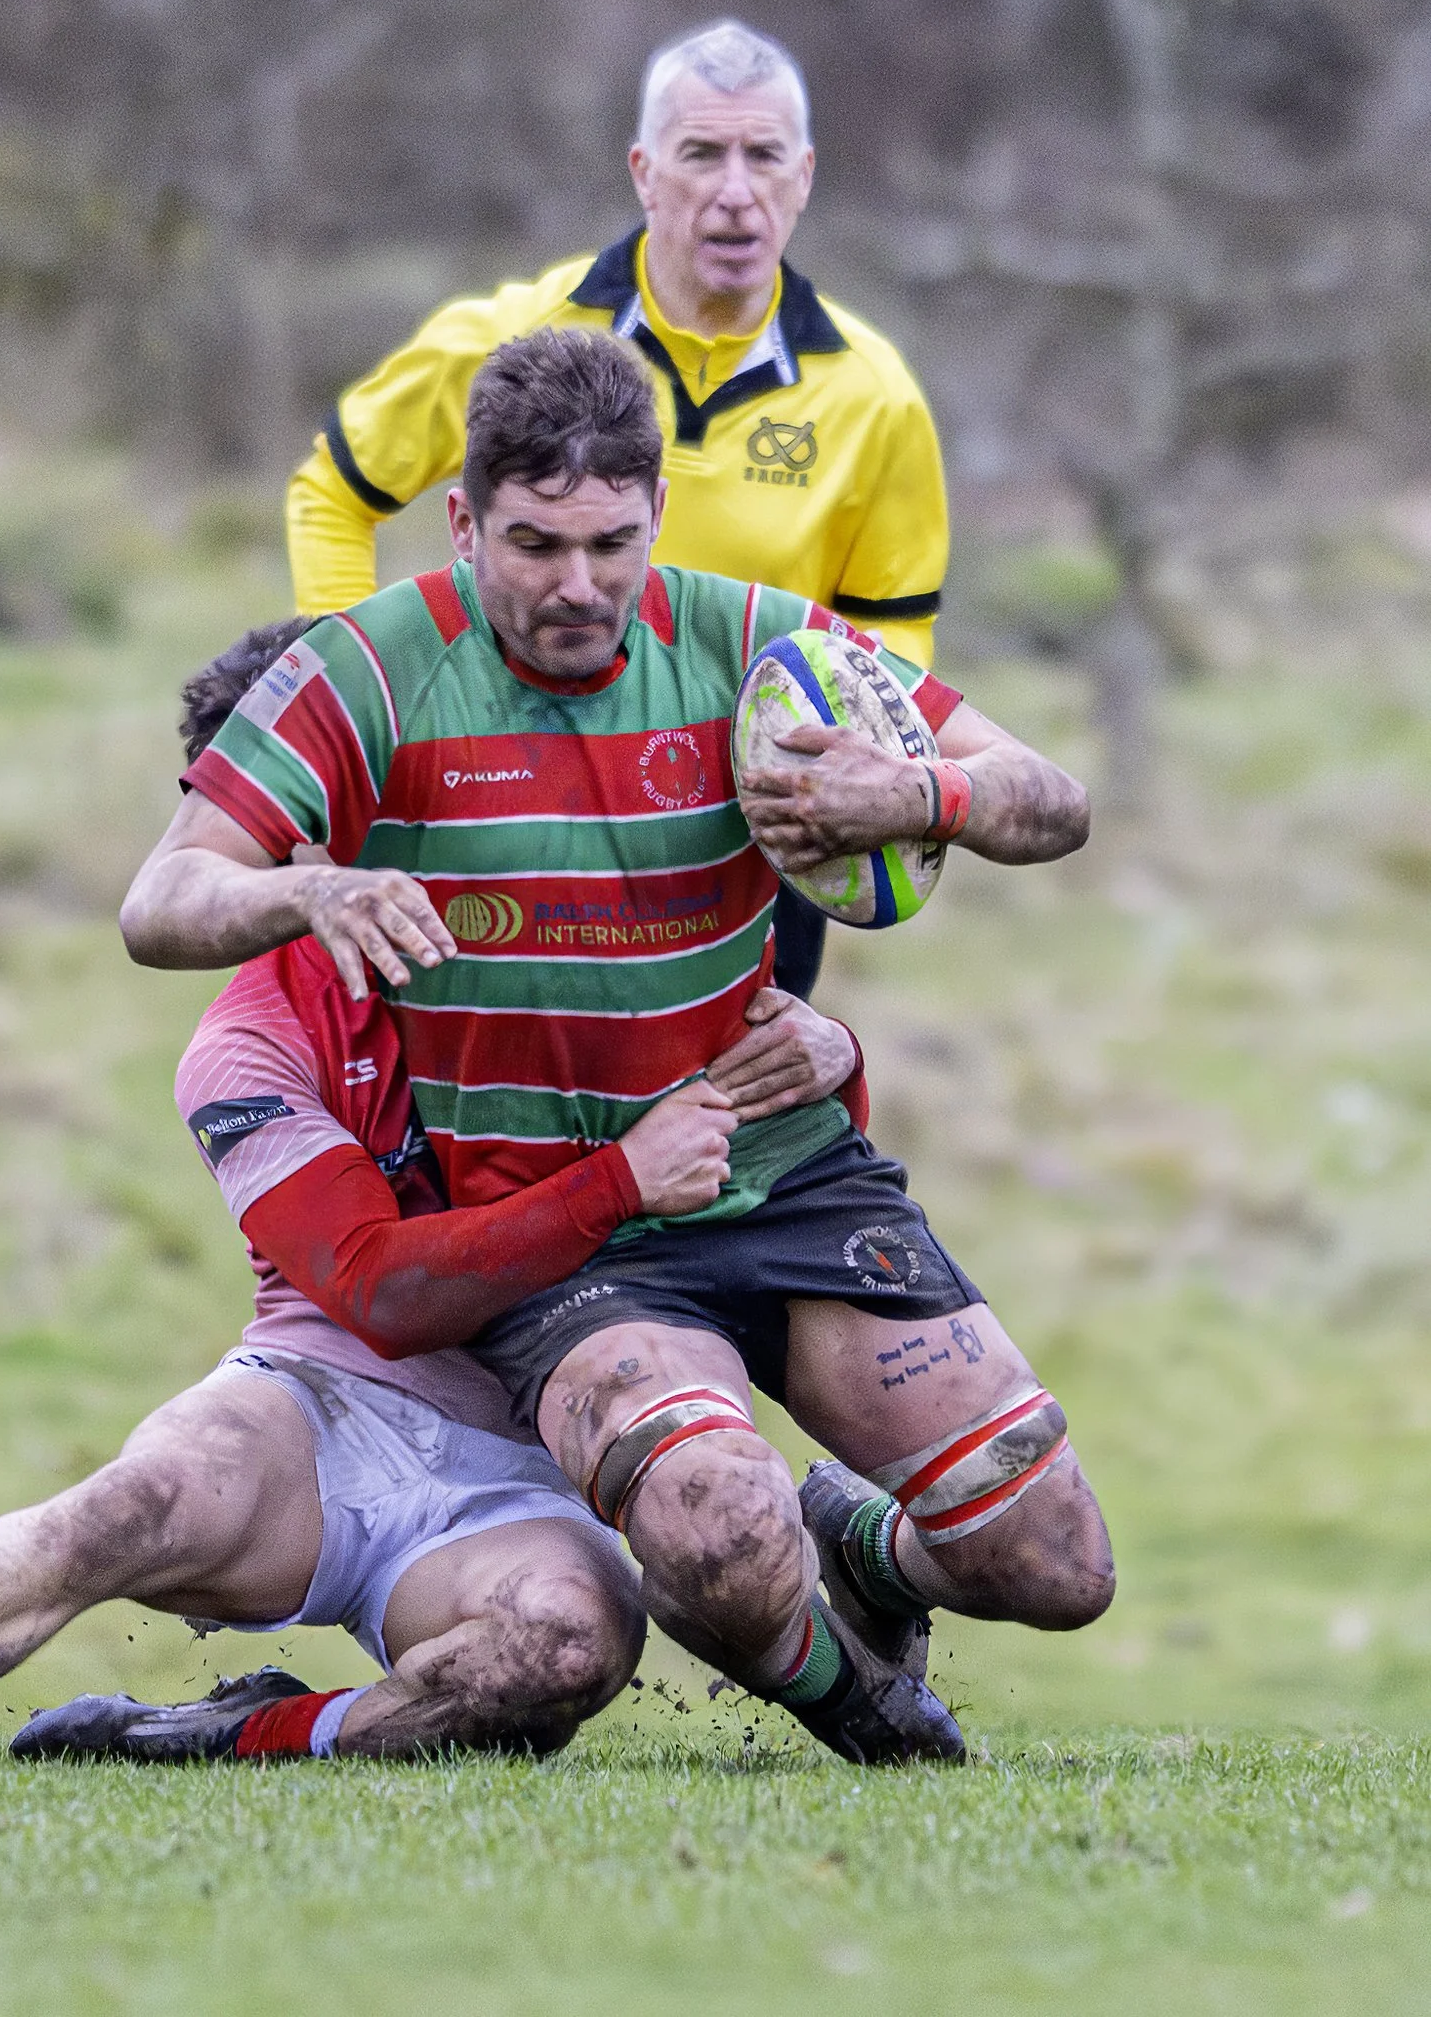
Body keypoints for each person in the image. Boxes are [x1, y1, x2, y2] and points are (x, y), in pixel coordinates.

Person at [125, 326, 1113, 1765]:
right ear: (463, 521)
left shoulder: (750, 640)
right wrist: (310, 887)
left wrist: (919, 792)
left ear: (657, 511)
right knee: (718, 1529)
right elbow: (162, 899)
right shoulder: (369, 673)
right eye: (534, 544)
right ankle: (865, 1712)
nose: (579, 585)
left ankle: (870, 1543)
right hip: (578, 1234)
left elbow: (1054, 795)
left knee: (1057, 1563)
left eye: (610, 541)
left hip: (782, 1175)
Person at [0, 623, 862, 1771]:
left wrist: (826, 1057)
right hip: (319, 1405)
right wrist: (615, 1179)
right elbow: (382, 1292)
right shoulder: (246, 1046)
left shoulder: (584, 944)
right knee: (127, 1505)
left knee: (557, 1654)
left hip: (528, 1463)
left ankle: (224, 1735)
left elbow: (776, 1176)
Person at [283, 17, 953, 996]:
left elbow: (891, 646)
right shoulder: (518, 334)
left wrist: (858, 776)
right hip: (509, 818)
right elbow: (331, 494)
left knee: (729, 1139)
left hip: (744, 849)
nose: (734, 191)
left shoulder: (875, 396)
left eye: (762, 156)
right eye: (700, 155)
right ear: (644, 170)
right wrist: (347, 728)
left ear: (803, 176)